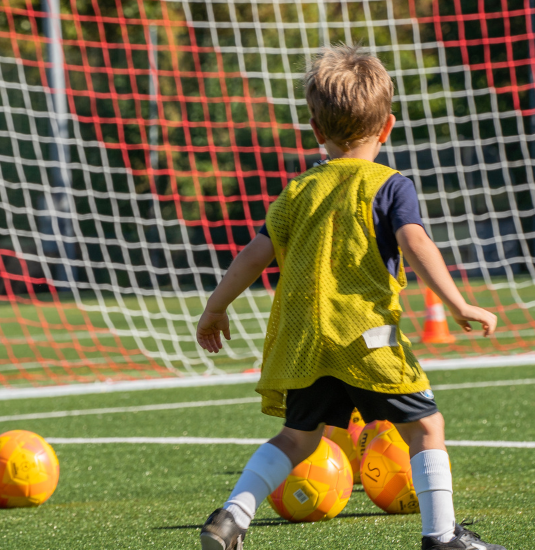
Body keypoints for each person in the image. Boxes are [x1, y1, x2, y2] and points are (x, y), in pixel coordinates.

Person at [195, 45, 505, 550]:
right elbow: (416, 242)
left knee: (299, 439)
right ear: (387, 127)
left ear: (317, 132)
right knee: (427, 428)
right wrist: (457, 304)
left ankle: (232, 516)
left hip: (305, 342)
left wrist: (215, 307)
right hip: (366, 337)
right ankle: (441, 537)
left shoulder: (298, 189)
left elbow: (255, 254)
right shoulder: (389, 185)